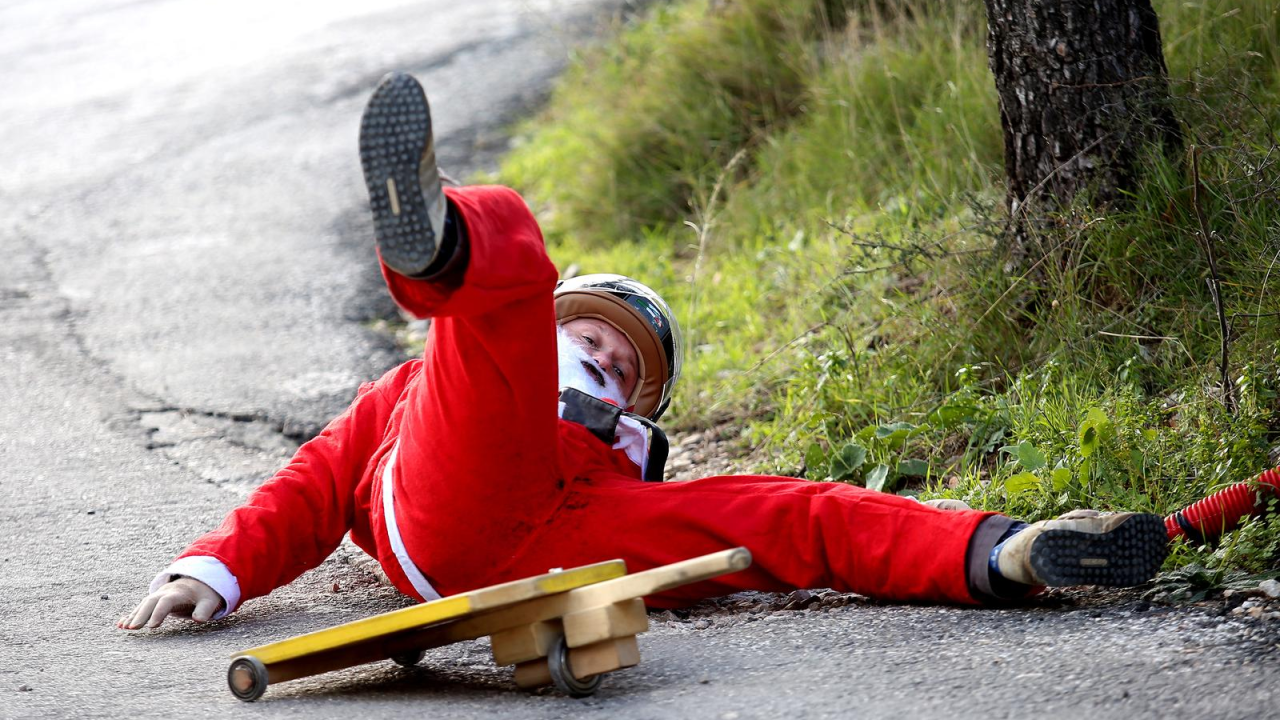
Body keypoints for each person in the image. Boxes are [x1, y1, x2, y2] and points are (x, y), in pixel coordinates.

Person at [118, 73, 1168, 631]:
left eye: (624, 370)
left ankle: (1006, 552)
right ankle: (439, 245)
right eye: (589, 338)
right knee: (512, 244)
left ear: (637, 408)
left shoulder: (619, 458)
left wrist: (990, 549)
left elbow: (786, 530)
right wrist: (215, 571)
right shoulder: (423, 385)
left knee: (790, 513)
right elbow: (310, 487)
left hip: (572, 530)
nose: (605, 363)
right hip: (462, 487)